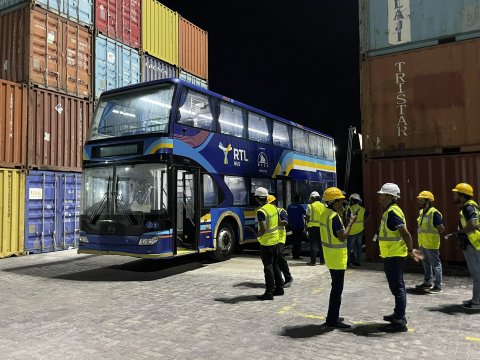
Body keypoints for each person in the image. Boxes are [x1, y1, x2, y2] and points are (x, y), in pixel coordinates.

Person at [377, 182, 417, 332]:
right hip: (391, 255)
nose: (379, 197)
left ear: (389, 197)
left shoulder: (393, 212)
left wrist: (411, 249)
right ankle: (398, 314)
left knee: (397, 288)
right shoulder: (390, 211)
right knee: (397, 286)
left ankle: (399, 321)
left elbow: (405, 233)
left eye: (381, 195)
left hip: (394, 255)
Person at [319, 187, 356, 329]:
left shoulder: (325, 214)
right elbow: (342, 237)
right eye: (340, 201)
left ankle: (332, 317)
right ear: (333, 202)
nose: (342, 204)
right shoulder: (334, 217)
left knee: (335, 288)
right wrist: (351, 222)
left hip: (329, 256)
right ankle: (332, 320)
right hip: (337, 258)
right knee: (337, 291)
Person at [450, 183, 480, 309]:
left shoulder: (468, 208)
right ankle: (476, 299)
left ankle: (477, 302)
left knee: (477, 274)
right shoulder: (470, 206)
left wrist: (460, 232)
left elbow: (472, 224)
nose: (454, 196)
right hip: (474, 243)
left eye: (456, 193)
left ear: (462, 196)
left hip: (474, 244)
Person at [254, 187, 284, 300]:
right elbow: (280, 222)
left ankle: (269, 292)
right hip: (276, 240)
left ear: (258, 199)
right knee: (275, 265)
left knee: (268, 267)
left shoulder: (261, 211)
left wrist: (257, 235)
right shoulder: (274, 208)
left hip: (266, 243)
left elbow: (263, 229)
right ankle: (280, 288)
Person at [415, 191, 445, 293]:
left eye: (421, 200)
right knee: (425, 263)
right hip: (422, 243)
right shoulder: (421, 212)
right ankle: (427, 282)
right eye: (418, 200)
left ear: (428, 201)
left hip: (431, 243)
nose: (419, 202)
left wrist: (434, 235)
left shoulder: (434, 213)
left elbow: (441, 228)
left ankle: (438, 285)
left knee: (436, 264)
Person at [268, 194, 293, 288]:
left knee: (280, 258)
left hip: (280, 238)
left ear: (274, 203)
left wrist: (277, 221)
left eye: (270, 203)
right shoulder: (268, 211)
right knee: (274, 260)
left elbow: (285, 222)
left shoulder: (281, 211)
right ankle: (279, 280)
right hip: (272, 239)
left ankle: (288, 277)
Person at [346, 193, 370, 266]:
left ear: (352, 200)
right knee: (359, 246)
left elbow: (347, 219)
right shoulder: (362, 209)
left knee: (349, 247)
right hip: (360, 229)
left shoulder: (349, 208)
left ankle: (347, 262)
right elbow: (369, 215)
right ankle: (358, 261)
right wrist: (363, 221)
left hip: (352, 230)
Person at [306, 191, 325, 266]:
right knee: (321, 244)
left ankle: (313, 262)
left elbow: (307, 217)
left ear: (313, 198)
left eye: (311, 198)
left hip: (312, 227)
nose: (310, 199)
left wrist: (306, 225)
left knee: (313, 245)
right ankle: (322, 261)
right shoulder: (323, 205)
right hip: (321, 227)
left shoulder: (310, 206)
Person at [287, 193, 307, 259]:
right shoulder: (300, 207)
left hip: (293, 226)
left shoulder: (289, 206)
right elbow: (306, 214)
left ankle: (294, 254)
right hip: (300, 226)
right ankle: (297, 256)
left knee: (294, 240)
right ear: (299, 199)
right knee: (298, 241)